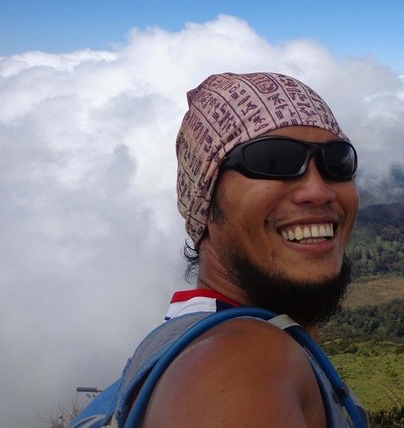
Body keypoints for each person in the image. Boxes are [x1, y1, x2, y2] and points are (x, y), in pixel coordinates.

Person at [71, 72, 366, 428]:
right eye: (273, 161)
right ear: (205, 203)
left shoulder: (179, 339)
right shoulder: (243, 363)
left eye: (337, 161)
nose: (319, 191)